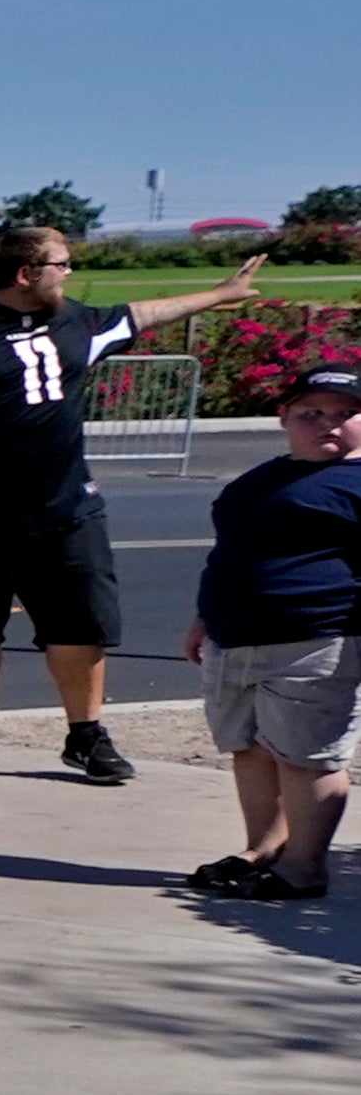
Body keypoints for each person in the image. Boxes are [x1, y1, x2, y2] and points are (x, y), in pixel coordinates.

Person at [0, 225, 263, 783]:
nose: (71, 273)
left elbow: (144, 314)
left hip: (64, 511)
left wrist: (221, 294)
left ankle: (86, 736)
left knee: (81, 627)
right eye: (63, 264)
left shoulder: (75, 320)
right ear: (27, 274)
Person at [180, 360, 361, 903]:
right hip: (233, 637)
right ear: (284, 417)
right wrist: (204, 617)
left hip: (316, 640)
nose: (328, 423)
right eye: (312, 412)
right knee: (250, 748)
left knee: (307, 759)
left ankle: (304, 869)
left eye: (347, 414)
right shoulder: (266, 476)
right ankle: (263, 849)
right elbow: (230, 552)